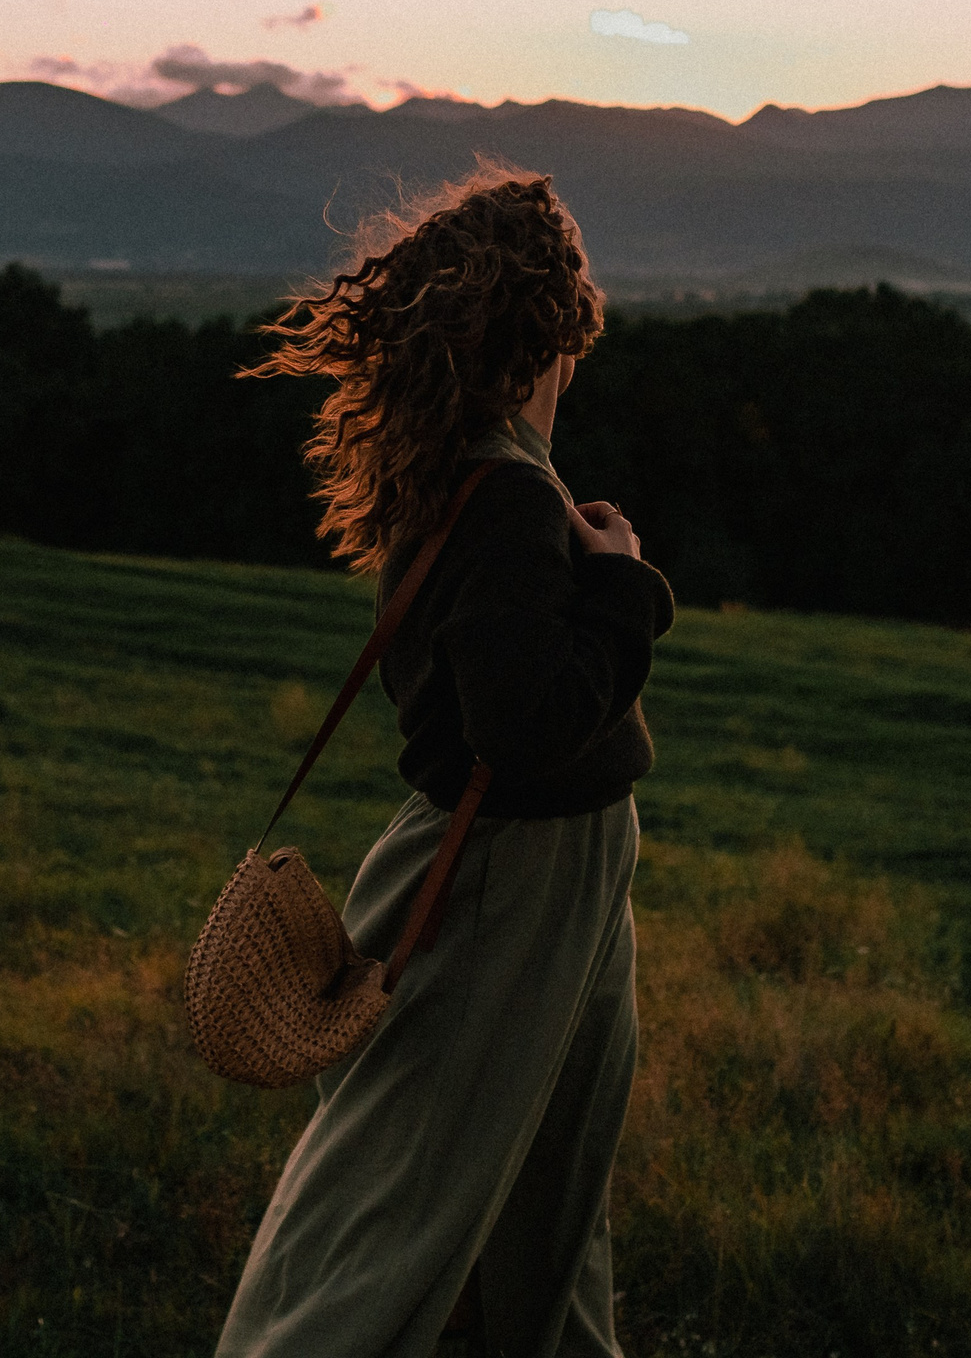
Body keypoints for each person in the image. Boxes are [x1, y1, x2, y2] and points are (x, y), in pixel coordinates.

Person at [220, 166, 676, 1358]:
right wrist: (624, 587)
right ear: (549, 341)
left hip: (555, 873)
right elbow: (525, 727)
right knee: (401, 1204)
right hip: (505, 874)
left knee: (551, 1200)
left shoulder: (469, 479)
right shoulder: (509, 498)